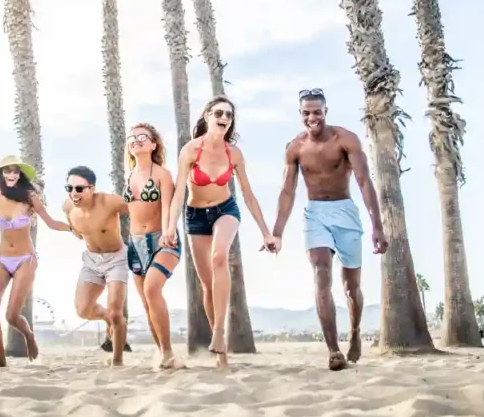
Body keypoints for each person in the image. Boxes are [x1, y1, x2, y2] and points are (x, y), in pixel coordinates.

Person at [271, 88, 389, 371]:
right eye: (306, 113)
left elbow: (364, 182)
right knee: (321, 271)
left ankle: (356, 331)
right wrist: (277, 232)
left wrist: (378, 227)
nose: (312, 117)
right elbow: (287, 191)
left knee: (351, 287)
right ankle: (333, 349)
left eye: (317, 112)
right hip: (315, 215)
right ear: (300, 115)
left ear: (326, 112)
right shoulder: (295, 148)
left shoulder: (345, 139)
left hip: (345, 211)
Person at [163, 95, 278, 366]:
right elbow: (179, 192)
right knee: (206, 284)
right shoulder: (190, 150)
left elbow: (248, 195)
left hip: (226, 210)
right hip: (195, 216)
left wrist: (266, 232)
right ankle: (221, 356)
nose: (223, 118)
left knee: (219, 258)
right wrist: (169, 227)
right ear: (207, 116)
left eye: (228, 115)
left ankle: (218, 333)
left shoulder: (233, 153)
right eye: (218, 113)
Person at [0, 155, 72, 367]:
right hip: (2, 259)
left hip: (25, 259)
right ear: (0, 174)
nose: (12, 175)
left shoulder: (29, 198)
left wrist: (75, 228)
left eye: (16, 171)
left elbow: (52, 223)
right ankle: (0, 362)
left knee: (11, 316)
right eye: (7, 171)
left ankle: (29, 335)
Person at [123, 123, 181, 369]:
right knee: (147, 303)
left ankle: (168, 351)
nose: (136, 140)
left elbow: (167, 206)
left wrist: (168, 231)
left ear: (153, 144)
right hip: (135, 244)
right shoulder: (130, 175)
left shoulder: (162, 174)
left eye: (142, 137)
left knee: (152, 290)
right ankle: (161, 353)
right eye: (132, 137)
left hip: (162, 239)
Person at [62, 165, 130, 367]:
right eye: (69, 188)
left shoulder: (110, 201)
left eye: (79, 189)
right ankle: (107, 317)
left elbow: (139, 210)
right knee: (83, 310)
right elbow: (76, 230)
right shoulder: (68, 207)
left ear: (92, 188)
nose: (74, 193)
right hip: (91, 261)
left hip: (116, 259)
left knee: (117, 312)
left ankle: (117, 361)